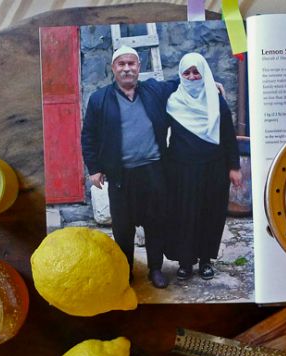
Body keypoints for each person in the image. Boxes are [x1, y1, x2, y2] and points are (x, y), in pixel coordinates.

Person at [81, 45, 178, 289]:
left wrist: (210, 84)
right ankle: (126, 271)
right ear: (113, 68)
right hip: (121, 175)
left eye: (131, 63)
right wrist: (94, 168)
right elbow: (89, 135)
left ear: (139, 67)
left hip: (153, 171)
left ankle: (155, 269)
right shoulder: (99, 99)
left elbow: (181, 82)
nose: (127, 69)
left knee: (156, 222)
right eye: (121, 64)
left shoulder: (153, 90)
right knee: (123, 228)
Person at [164, 52, 242, 281]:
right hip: (182, 170)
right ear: (181, 75)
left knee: (210, 214)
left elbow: (228, 135)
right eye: (187, 72)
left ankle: (206, 261)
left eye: (196, 72)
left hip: (213, 168)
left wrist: (234, 167)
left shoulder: (215, 100)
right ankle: (185, 262)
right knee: (184, 215)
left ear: (204, 73)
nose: (191, 76)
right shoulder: (173, 101)